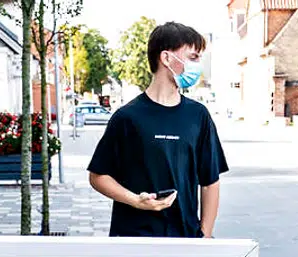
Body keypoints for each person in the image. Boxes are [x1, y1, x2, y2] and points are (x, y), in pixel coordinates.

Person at [87, 21, 228, 238]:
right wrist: (136, 200)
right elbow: (98, 176)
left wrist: (205, 236)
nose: (198, 66)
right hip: (134, 239)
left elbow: (210, 182)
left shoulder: (198, 116)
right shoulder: (127, 117)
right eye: (193, 57)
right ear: (166, 58)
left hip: (185, 239)